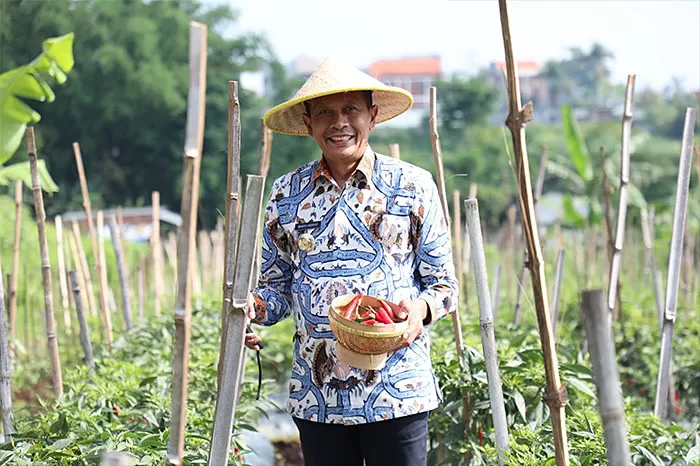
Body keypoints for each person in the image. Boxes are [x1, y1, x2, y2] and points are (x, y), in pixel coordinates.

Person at [244, 56, 458, 466]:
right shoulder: (286, 194)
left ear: (372, 116)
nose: (338, 122)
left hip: (397, 389)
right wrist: (252, 311)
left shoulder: (412, 186)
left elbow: (444, 286)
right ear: (308, 123)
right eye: (325, 112)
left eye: (350, 110)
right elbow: (276, 289)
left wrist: (419, 310)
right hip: (317, 393)